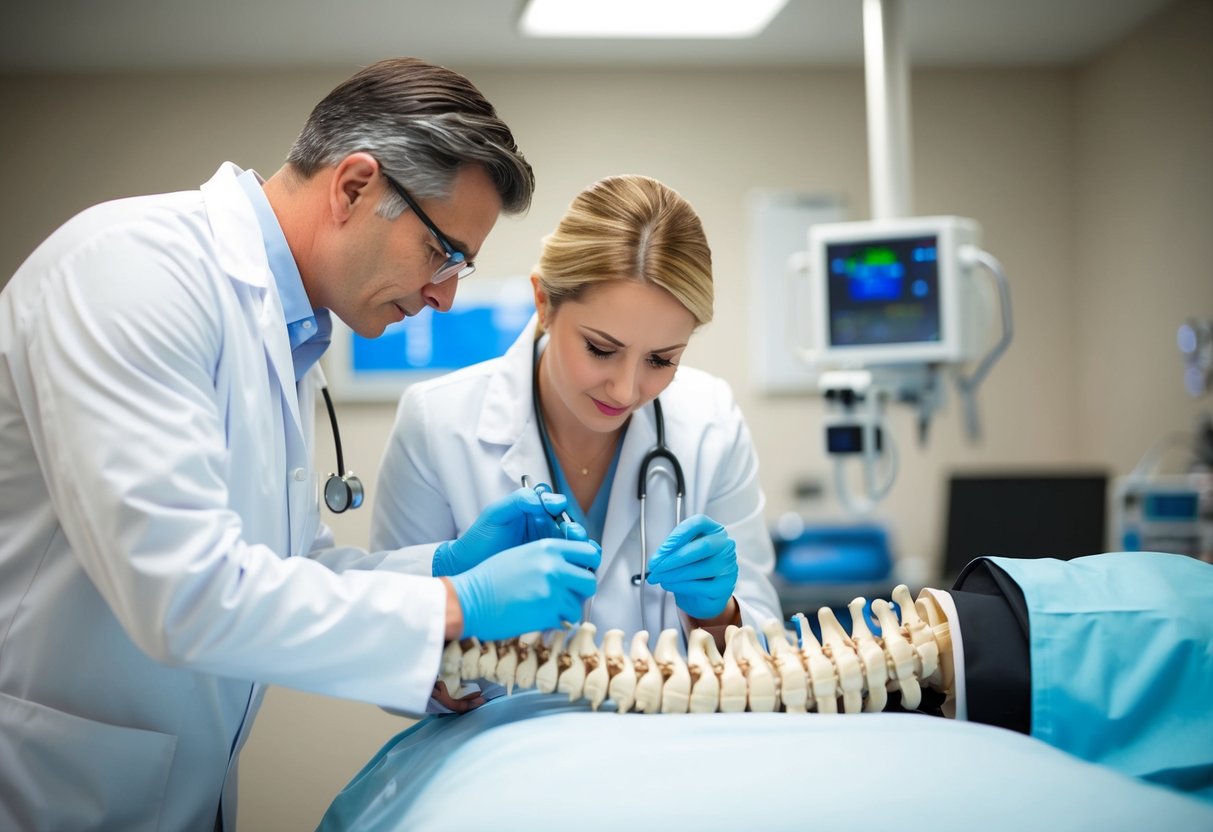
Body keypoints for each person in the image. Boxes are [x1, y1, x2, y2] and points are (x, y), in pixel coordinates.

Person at [0, 57, 601, 831]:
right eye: (443, 252)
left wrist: (439, 567)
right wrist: (455, 603)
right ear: (354, 187)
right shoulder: (131, 273)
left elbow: (281, 567)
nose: (445, 294)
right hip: (48, 794)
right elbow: (185, 594)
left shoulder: (288, 332)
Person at [372, 174, 782, 672]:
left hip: (674, 743)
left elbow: (767, 655)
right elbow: (390, 653)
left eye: (661, 360)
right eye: (601, 349)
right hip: (501, 745)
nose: (626, 390)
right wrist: (459, 620)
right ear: (543, 302)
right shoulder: (436, 423)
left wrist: (720, 615)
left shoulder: (711, 422)